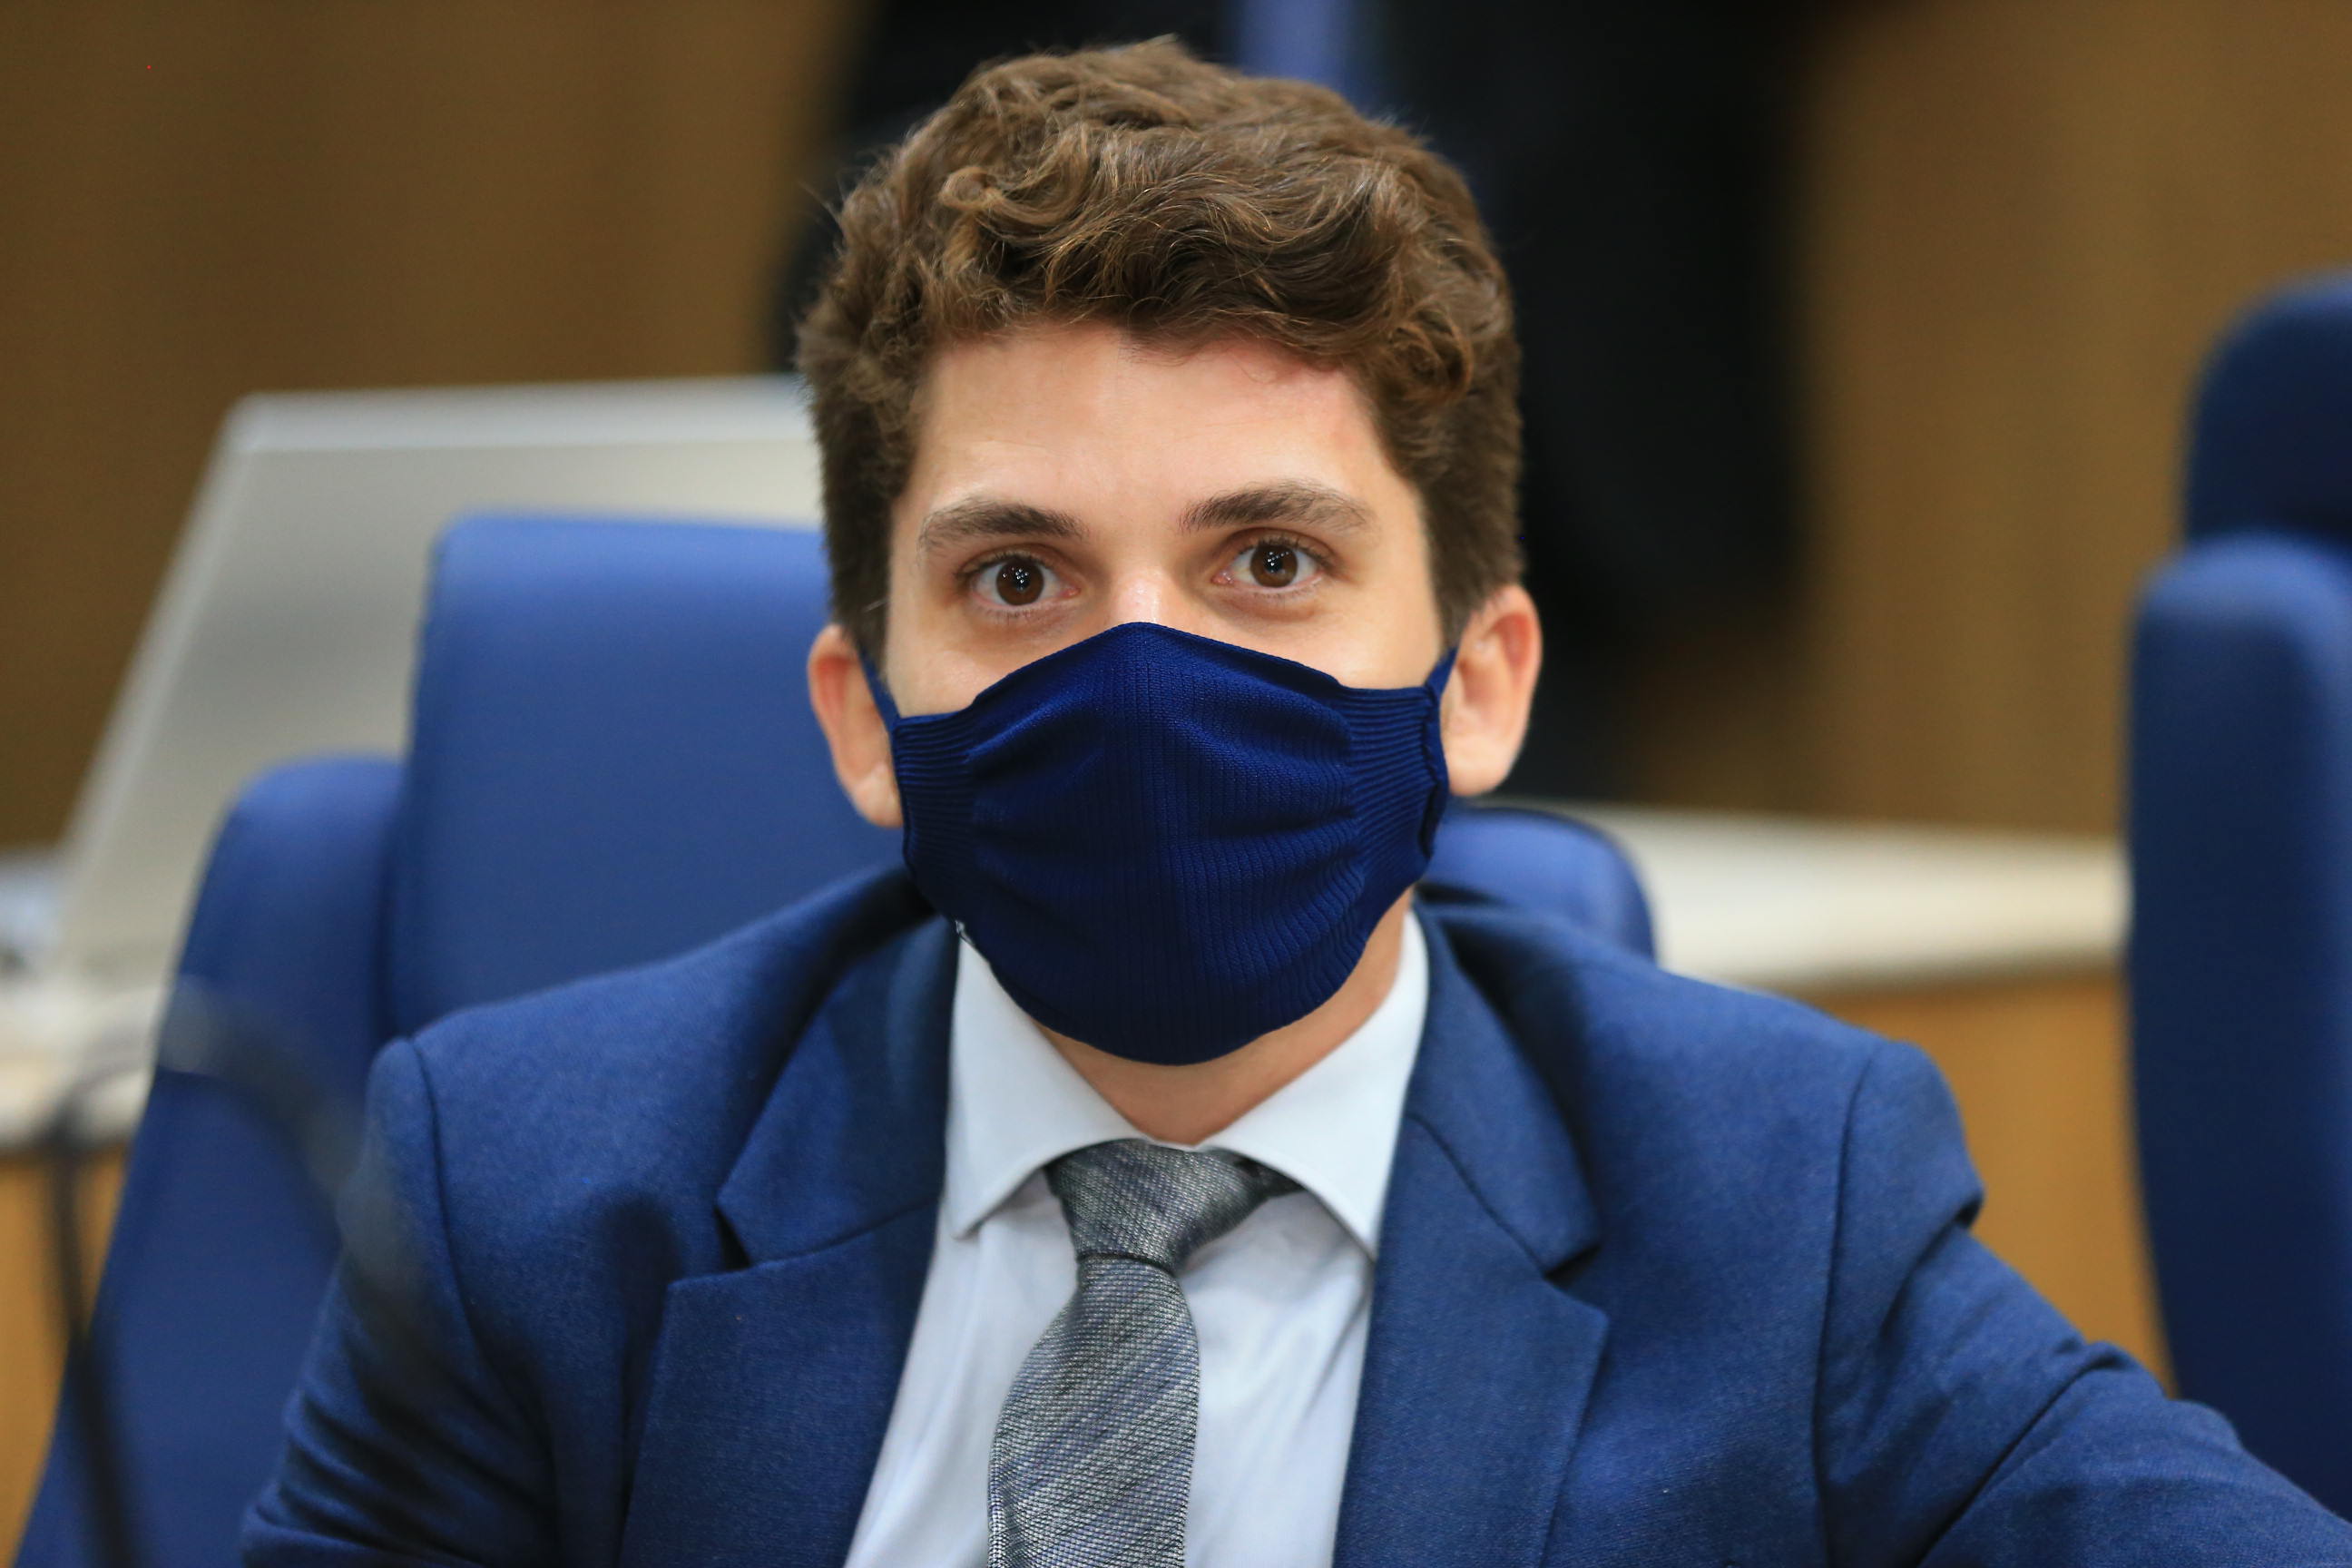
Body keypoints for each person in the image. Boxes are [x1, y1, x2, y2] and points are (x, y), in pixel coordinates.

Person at [243, 40, 2352, 1568]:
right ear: (865, 713)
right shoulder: (531, 1199)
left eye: (1268, 562)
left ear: (1482, 685)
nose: (1142, 679)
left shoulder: (1775, 1206)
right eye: (1017, 579)